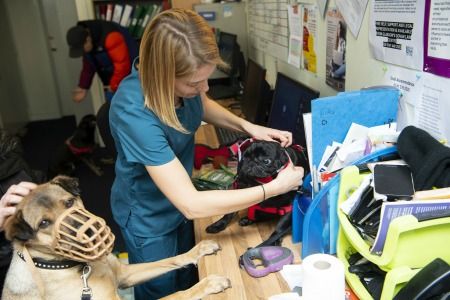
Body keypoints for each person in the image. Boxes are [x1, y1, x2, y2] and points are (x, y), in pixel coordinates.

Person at [109, 9, 305, 300]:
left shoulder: (186, 86)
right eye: (193, 83)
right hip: (148, 217)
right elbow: (192, 204)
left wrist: (248, 126)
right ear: (162, 76)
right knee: (165, 290)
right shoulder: (133, 111)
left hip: (179, 205)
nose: (204, 88)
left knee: (192, 277)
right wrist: (274, 188)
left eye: (206, 78)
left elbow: (202, 104)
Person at [66, 20, 138, 157]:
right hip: (113, 84)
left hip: (130, 80)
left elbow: (122, 66)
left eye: (82, 48)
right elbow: (88, 67)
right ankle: (122, 155)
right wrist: (83, 87)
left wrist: (113, 86)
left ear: (88, 39)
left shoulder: (111, 37)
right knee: (113, 120)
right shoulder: (86, 42)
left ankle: (134, 155)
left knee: (129, 119)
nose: (82, 52)